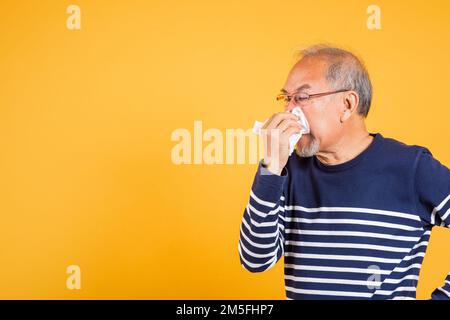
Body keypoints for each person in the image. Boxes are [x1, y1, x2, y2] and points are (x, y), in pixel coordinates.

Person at [237, 44, 450, 300]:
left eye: (302, 98)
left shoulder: (412, 168)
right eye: (287, 98)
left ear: (347, 104)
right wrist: (271, 168)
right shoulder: (287, 168)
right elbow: (254, 259)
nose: (288, 111)